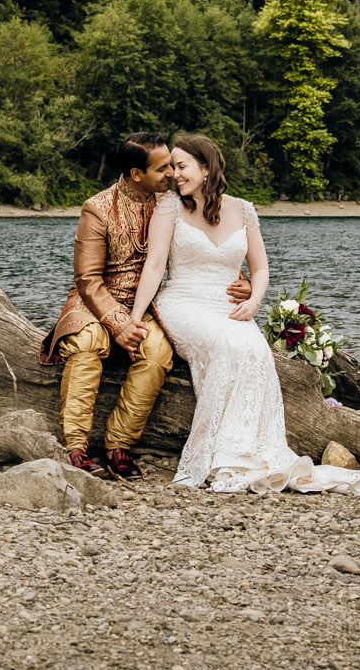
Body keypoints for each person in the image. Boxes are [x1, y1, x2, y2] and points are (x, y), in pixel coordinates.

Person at [128, 133, 360, 495]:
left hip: (229, 305)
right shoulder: (168, 207)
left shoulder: (243, 209)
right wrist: (134, 316)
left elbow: (261, 269)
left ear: (206, 168)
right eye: (172, 167)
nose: (174, 175)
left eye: (182, 166)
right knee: (226, 347)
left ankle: (251, 453)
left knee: (256, 353)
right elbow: (155, 265)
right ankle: (220, 455)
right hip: (181, 301)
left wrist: (254, 300)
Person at [41, 132, 250, 479]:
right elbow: (87, 279)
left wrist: (239, 280)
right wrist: (119, 322)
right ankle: (75, 448)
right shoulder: (98, 207)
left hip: (148, 305)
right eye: (163, 168)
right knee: (87, 342)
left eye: (172, 164)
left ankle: (118, 446)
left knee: (157, 352)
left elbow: (207, 249)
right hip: (94, 302)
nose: (172, 173)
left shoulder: (173, 203)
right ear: (137, 175)